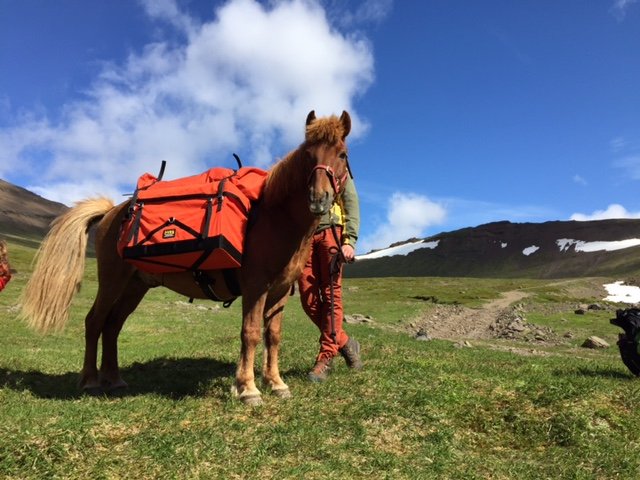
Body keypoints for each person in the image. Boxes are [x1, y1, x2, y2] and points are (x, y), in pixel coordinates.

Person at [298, 174, 363, 382]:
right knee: (308, 299)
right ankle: (344, 342)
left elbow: (350, 201)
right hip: (305, 236)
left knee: (331, 295)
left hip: (332, 232)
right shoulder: (305, 170)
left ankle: (325, 358)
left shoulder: (338, 168)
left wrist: (349, 241)